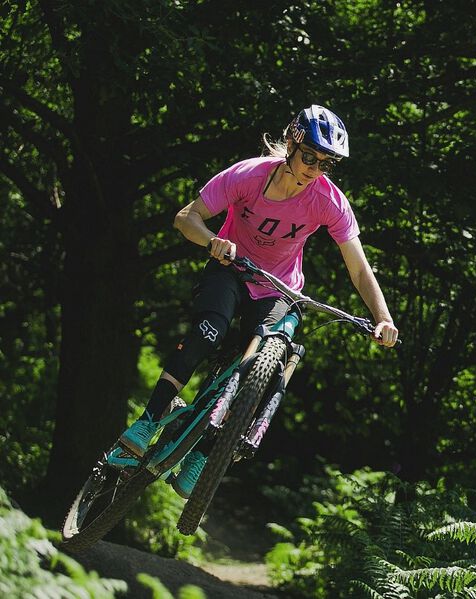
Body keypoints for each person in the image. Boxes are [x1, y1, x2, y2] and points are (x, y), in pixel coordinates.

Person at [117, 105, 399, 498]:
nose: (315, 169)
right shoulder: (248, 176)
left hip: (279, 288)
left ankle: (205, 452)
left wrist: (382, 318)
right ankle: (148, 420)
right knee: (208, 331)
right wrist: (212, 240)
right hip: (231, 269)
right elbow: (187, 217)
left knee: (265, 369)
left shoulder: (329, 201)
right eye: (309, 157)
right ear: (291, 144)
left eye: (326, 163)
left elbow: (358, 267)